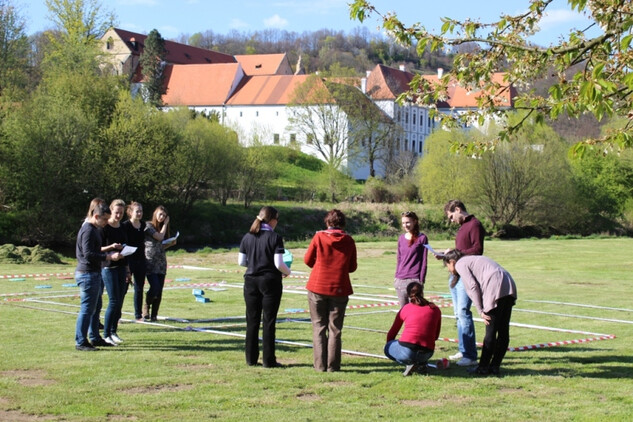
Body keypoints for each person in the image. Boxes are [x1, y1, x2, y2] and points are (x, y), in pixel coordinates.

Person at [443, 249, 517, 376]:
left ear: (452, 262)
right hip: (508, 283)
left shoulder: (460, 264)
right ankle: (494, 366)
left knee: (491, 331)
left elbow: (472, 287)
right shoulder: (470, 259)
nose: (449, 270)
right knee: (503, 330)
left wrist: (480, 310)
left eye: (447, 266)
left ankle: (483, 367)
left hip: (495, 285)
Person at [304, 209, 357, 372]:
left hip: (317, 286)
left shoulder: (318, 237)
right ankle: (333, 366)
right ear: (343, 224)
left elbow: (307, 260)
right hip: (340, 288)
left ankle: (320, 365)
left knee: (319, 326)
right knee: (335, 329)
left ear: (327, 223)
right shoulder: (349, 240)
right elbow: (352, 267)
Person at [238, 206, 291, 368]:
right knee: (268, 321)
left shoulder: (247, 237)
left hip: (251, 280)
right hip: (270, 281)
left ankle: (251, 358)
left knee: (252, 320)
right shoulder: (275, 237)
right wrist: (288, 271)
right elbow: (278, 263)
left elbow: (241, 262)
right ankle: (269, 360)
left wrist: (254, 264)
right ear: (273, 220)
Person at [75, 200, 122, 351]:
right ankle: (81, 341)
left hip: (94, 273)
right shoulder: (88, 230)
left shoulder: (93, 229)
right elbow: (88, 254)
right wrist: (109, 257)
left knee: (95, 308)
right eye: (104, 219)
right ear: (96, 216)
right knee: (87, 309)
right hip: (87, 274)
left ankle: (94, 337)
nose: (106, 222)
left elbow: (94, 250)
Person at [443, 199, 485, 367]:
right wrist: (448, 255)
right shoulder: (462, 227)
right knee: (457, 314)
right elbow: (461, 252)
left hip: (468, 275)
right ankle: (463, 349)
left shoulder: (474, 225)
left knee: (463, 312)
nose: (451, 220)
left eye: (451, 216)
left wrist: (455, 253)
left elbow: (477, 250)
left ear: (458, 209)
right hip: (456, 275)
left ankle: (470, 355)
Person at [384, 282, 442, 376]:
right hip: (428, 352)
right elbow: (435, 336)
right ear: (422, 292)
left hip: (407, 351)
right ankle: (420, 364)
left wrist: (390, 345)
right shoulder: (435, 309)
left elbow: (392, 333)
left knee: (388, 348)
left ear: (408, 294)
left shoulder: (406, 308)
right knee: (414, 353)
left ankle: (410, 363)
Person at [101, 199, 129, 346]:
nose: (118, 215)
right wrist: (111, 247)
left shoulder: (123, 227)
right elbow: (98, 248)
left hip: (122, 266)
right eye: (116, 212)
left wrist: (128, 269)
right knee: (113, 301)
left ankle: (113, 331)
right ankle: (106, 334)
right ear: (111, 210)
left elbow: (125, 246)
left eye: (121, 213)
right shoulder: (105, 227)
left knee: (119, 301)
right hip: (108, 267)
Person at [144, 205, 175, 322]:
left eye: (164, 216)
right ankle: (146, 306)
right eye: (160, 214)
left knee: (160, 289)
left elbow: (161, 244)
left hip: (161, 261)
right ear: (155, 213)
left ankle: (154, 314)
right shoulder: (148, 226)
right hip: (150, 261)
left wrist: (170, 243)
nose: (162, 218)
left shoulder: (162, 228)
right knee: (154, 286)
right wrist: (166, 224)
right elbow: (159, 237)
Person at [394, 211, 429, 307]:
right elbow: (399, 259)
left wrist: (421, 280)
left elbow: (424, 260)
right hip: (400, 280)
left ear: (415, 221)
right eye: (403, 223)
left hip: (415, 279)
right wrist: (396, 277)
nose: (405, 225)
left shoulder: (422, 238)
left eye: (408, 222)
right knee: (404, 312)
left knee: (416, 310)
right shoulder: (401, 238)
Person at [123, 201, 147, 321]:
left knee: (139, 287)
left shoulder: (143, 225)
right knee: (124, 288)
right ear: (130, 212)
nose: (139, 213)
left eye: (141, 211)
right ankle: (117, 315)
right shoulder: (125, 226)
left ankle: (138, 315)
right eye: (137, 211)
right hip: (128, 259)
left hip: (141, 259)